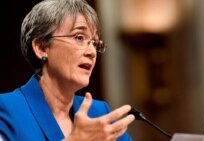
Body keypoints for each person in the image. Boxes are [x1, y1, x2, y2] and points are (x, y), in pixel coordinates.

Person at [0, 0, 135, 140]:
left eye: (94, 43)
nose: (92, 52)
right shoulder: (6, 110)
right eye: (79, 37)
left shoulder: (99, 113)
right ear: (41, 48)